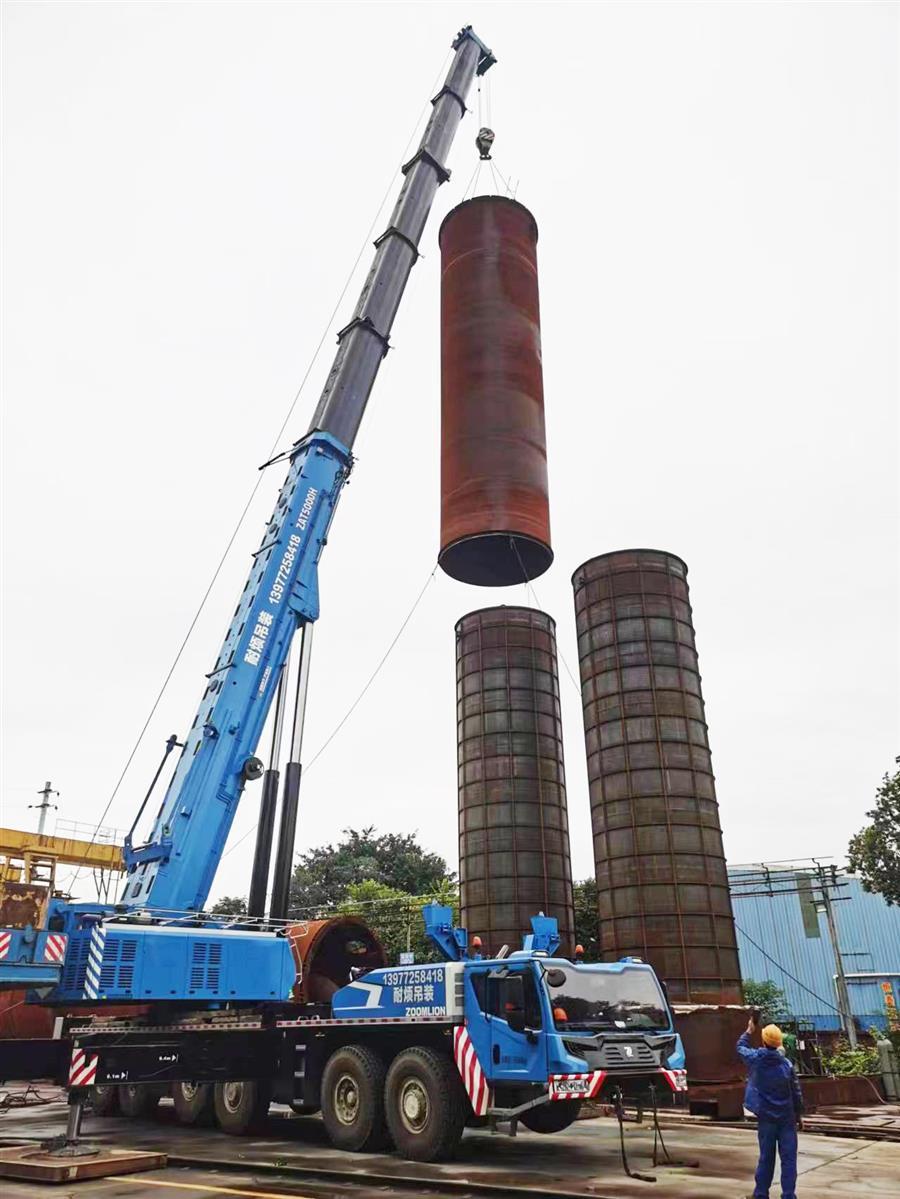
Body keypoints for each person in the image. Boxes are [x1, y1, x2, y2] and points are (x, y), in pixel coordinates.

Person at [737, 1015, 804, 1199]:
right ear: (779, 1043)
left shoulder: (756, 1059)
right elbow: (796, 1092)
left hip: (766, 1117)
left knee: (766, 1157)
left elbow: (740, 1047)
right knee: (788, 1159)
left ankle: (761, 1194)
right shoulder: (786, 1065)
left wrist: (749, 1031)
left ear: (764, 1041)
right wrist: (798, 1116)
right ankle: (788, 1194)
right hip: (786, 1118)